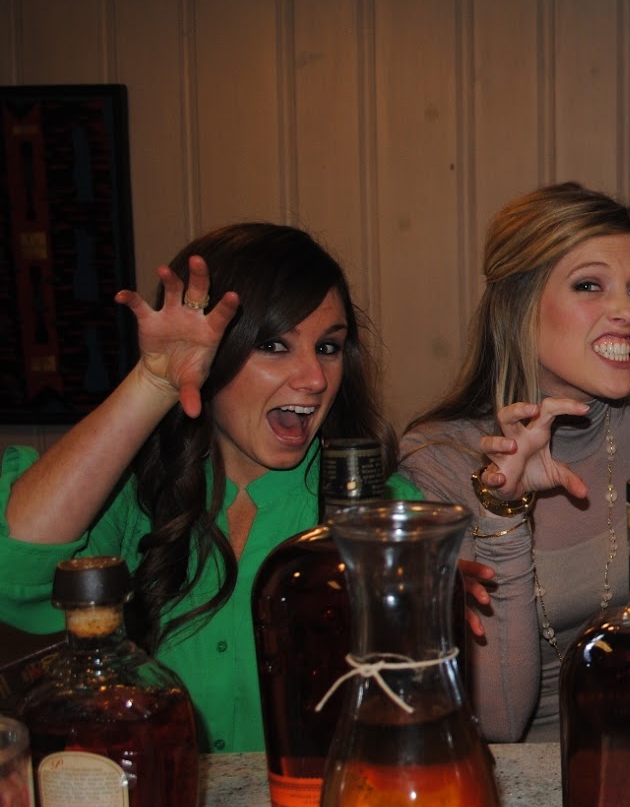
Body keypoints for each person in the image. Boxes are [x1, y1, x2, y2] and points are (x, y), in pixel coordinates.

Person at [0, 223, 424, 753]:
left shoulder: (381, 512)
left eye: (328, 347)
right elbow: (15, 567)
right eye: (274, 345)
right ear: (211, 355)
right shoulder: (130, 497)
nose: (315, 378)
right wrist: (154, 382)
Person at [401, 182, 630, 743]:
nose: (627, 311)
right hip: (528, 774)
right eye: (589, 285)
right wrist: (502, 513)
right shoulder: (440, 461)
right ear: (519, 303)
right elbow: (499, 723)